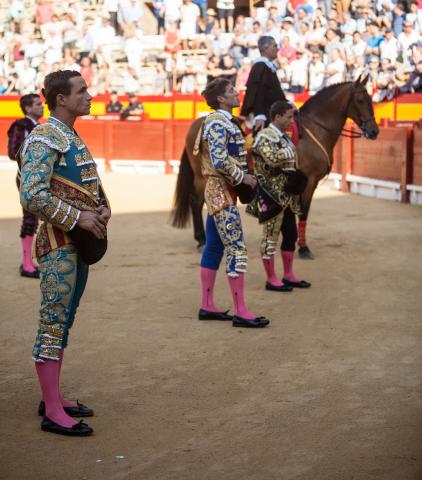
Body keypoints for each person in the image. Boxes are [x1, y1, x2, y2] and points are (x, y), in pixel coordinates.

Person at [19, 70, 111, 436]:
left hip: (77, 242)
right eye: (82, 90)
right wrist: (79, 218)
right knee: (53, 322)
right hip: (58, 243)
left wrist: (103, 209)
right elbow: (32, 195)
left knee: (65, 319)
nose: (89, 96)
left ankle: (53, 397)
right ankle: (53, 411)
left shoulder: (68, 135)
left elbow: (88, 184)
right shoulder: (44, 137)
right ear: (61, 99)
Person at [198, 78, 270, 328]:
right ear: (221, 99)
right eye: (231, 91)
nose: (237, 93)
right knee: (237, 248)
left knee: (214, 246)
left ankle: (207, 305)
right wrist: (244, 177)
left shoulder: (224, 121)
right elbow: (219, 160)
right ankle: (240, 311)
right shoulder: (218, 122)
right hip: (221, 192)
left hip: (220, 191)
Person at [252, 100, 311, 291]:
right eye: (289, 117)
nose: (292, 121)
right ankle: (271, 279)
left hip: (287, 194)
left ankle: (288, 275)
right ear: (277, 117)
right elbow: (272, 159)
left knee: (290, 234)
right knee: (270, 236)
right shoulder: (264, 136)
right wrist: (288, 150)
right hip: (271, 194)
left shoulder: (283, 137)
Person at [7, 93, 44, 278]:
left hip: (41, 178)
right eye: (38, 104)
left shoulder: (40, 127)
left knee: (36, 218)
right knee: (30, 218)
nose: (42, 106)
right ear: (28, 108)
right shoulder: (21, 126)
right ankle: (27, 264)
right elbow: (12, 151)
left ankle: (32, 261)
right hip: (26, 178)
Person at [240, 36, 287, 133]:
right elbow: (256, 92)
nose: (277, 49)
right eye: (274, 46)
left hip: (272, 113)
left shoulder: (267, 66)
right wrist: (259, 114)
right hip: (264, 117)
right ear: (266, 48)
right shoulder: (260, 66)